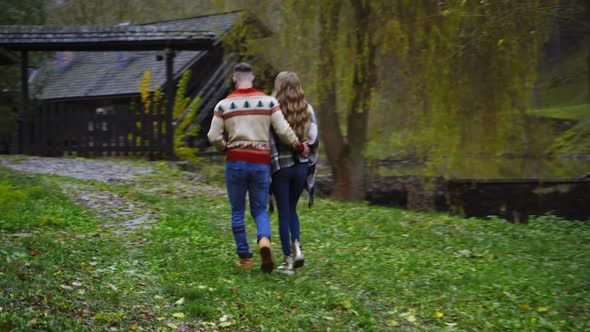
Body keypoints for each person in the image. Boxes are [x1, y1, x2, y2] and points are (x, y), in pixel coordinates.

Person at [207, 63, 310, 273]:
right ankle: (264, 241)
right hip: (260, 163)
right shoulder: (268, 102)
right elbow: (283, 130)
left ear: (235, 79)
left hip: (235, 161)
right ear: (252, 77)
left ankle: (245, 257)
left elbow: (212, 136)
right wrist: (299, 147)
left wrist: (224, 146)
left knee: (237, 210)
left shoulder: (223, 105)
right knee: (259, 209)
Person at [269, 71, 319, 275]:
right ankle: (297, 247)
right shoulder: (308, 109)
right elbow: (315, 137)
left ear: (278, 87)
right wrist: (306, 145)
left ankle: (288, 260)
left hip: (282, 166)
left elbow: (269, 138)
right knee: (292, 208)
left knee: (283, 212)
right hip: (302, 166)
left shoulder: (273, 109)